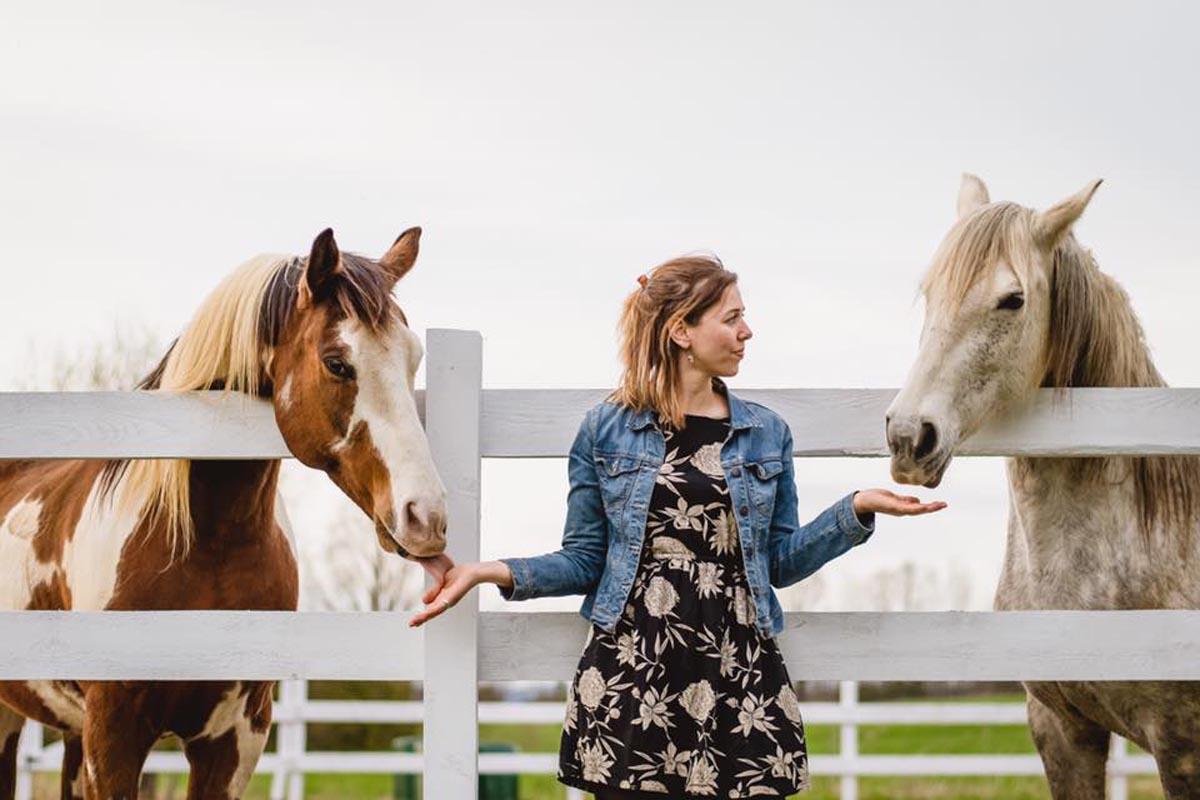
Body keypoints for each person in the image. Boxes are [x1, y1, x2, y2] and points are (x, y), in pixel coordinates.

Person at [411, 255, 946, 798]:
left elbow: (779, 562)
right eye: (732, 317)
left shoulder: (766, 433)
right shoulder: (605, 429)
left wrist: (854, 510)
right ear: (681, 330)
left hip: (737, 669)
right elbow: (584, 560)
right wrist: (486, 571)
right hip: (633, 669)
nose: (747, 331)